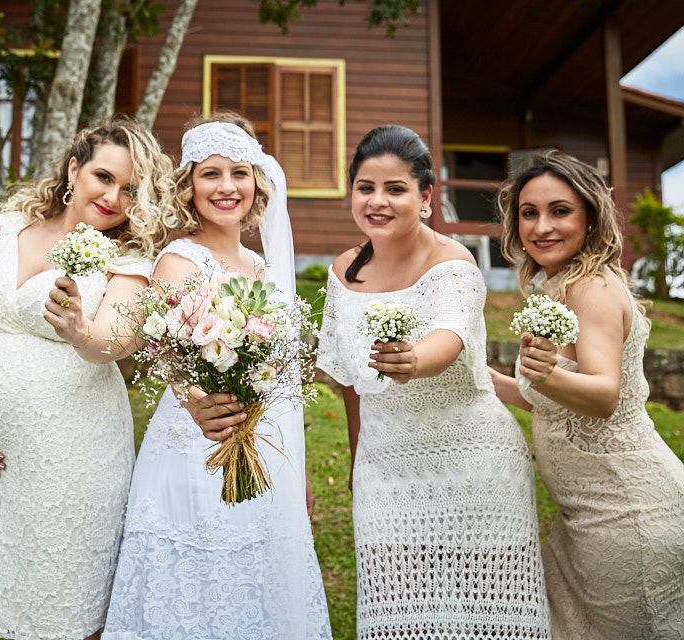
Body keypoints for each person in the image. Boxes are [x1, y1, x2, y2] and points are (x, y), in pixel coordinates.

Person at [0, 117, 177, 640]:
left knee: (55, 612)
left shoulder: (128, 259)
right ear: (73, 168)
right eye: (103, 177)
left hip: (69, 464)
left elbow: (115, 341)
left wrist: (80, 330)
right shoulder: (9, 226)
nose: (113, 197)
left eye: (131, 190)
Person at [102, 113, 332, 640]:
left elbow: (282, 380)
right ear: (189, 185)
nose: (227, 187)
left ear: (256, 182)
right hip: (195, 447)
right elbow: (169, 360)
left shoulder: (263, 265)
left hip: (264, 448)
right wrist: (197, 403)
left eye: (238, 173)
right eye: (211, 174)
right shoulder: (179, 260)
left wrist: (295, 468)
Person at [316, 125, 550, 639]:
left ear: (425, 197)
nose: (377, 201)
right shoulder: (343, 272)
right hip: (384, 469)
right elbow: (351, 383)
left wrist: (413, 360)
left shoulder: (452, 261)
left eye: (395, 189)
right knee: (397, 617)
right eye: (365, 187)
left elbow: (449, 336)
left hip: (474, 465)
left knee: (488, 619)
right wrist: (358, 462)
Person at [489, 151, 684, 638]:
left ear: (591, 218)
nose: (541, 227)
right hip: (586, 518)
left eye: (560, 211)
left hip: (627, 514)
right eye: (529, 213)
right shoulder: (560, 287)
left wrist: (545, 376)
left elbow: (602, 396)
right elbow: (558, 403)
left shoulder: (589, 288)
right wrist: (483, 379)